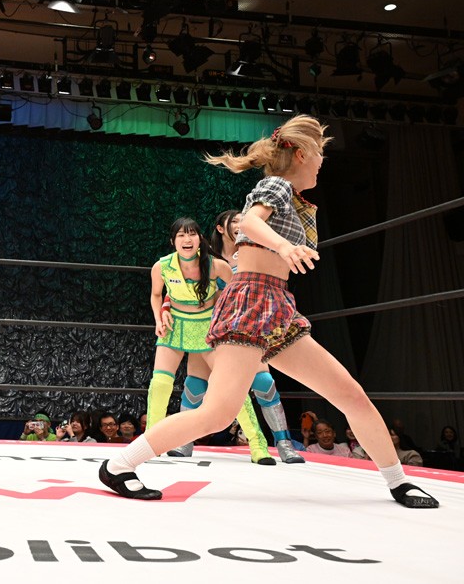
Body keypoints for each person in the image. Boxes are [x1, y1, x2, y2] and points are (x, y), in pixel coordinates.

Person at [99, 115, 439, 508]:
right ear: (301, 154)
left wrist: (284, 249)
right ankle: (119, 465)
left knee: (350, 394)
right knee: (218, 413)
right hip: (251, 303)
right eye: (320, 153)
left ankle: (399, 482)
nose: (322, 162)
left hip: (276, 306)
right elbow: (250, 221)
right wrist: (284, 247)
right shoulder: (276, 185)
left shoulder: (292, 197)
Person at [149, 217, 276, 464]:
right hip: (175, 325)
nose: (187, 239)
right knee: (160, 383)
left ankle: (258, 444)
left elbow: (237, 293)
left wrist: (232, 322)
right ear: (173, 241)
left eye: (192, 234)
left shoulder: (216, 266)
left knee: (230, 385)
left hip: (209, 326)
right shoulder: (162, 266)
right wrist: (159, 316)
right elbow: (156, 294)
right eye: (181, 235)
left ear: (200, 239)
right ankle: (150, 443)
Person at [202, 209, 305, 463]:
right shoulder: (209, 261)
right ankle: (182, 443)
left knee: (264, 383)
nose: (240, 225)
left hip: (253, 325)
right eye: (234, 221)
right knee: (207, 389)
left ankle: (283, 443)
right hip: (221, 329)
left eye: (242, 220)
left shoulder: (252, 249)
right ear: (220, 228)